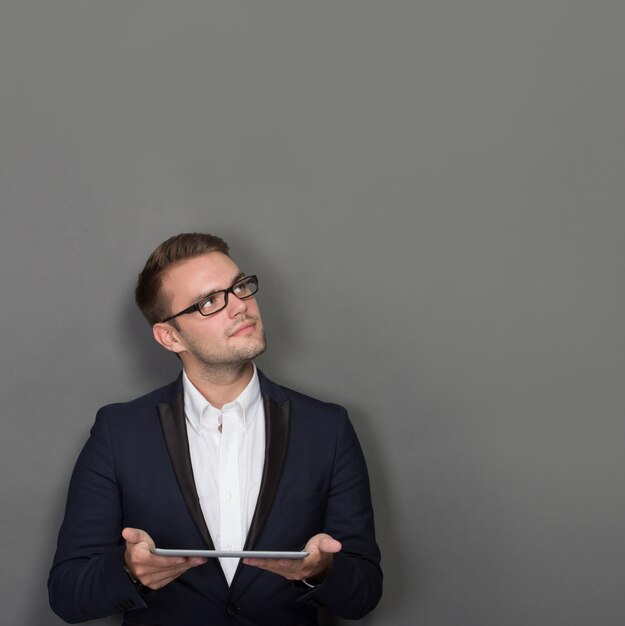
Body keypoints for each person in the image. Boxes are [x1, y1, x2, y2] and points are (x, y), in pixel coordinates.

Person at [48, 233, 382, 626]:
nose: (240, 307)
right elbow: (67, 595)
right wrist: (128, 571)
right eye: (209, 301)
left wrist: (321, 572)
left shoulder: (328, 428)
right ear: (169, 336)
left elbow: (364, 592)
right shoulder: (117, 433)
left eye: (239, 287)